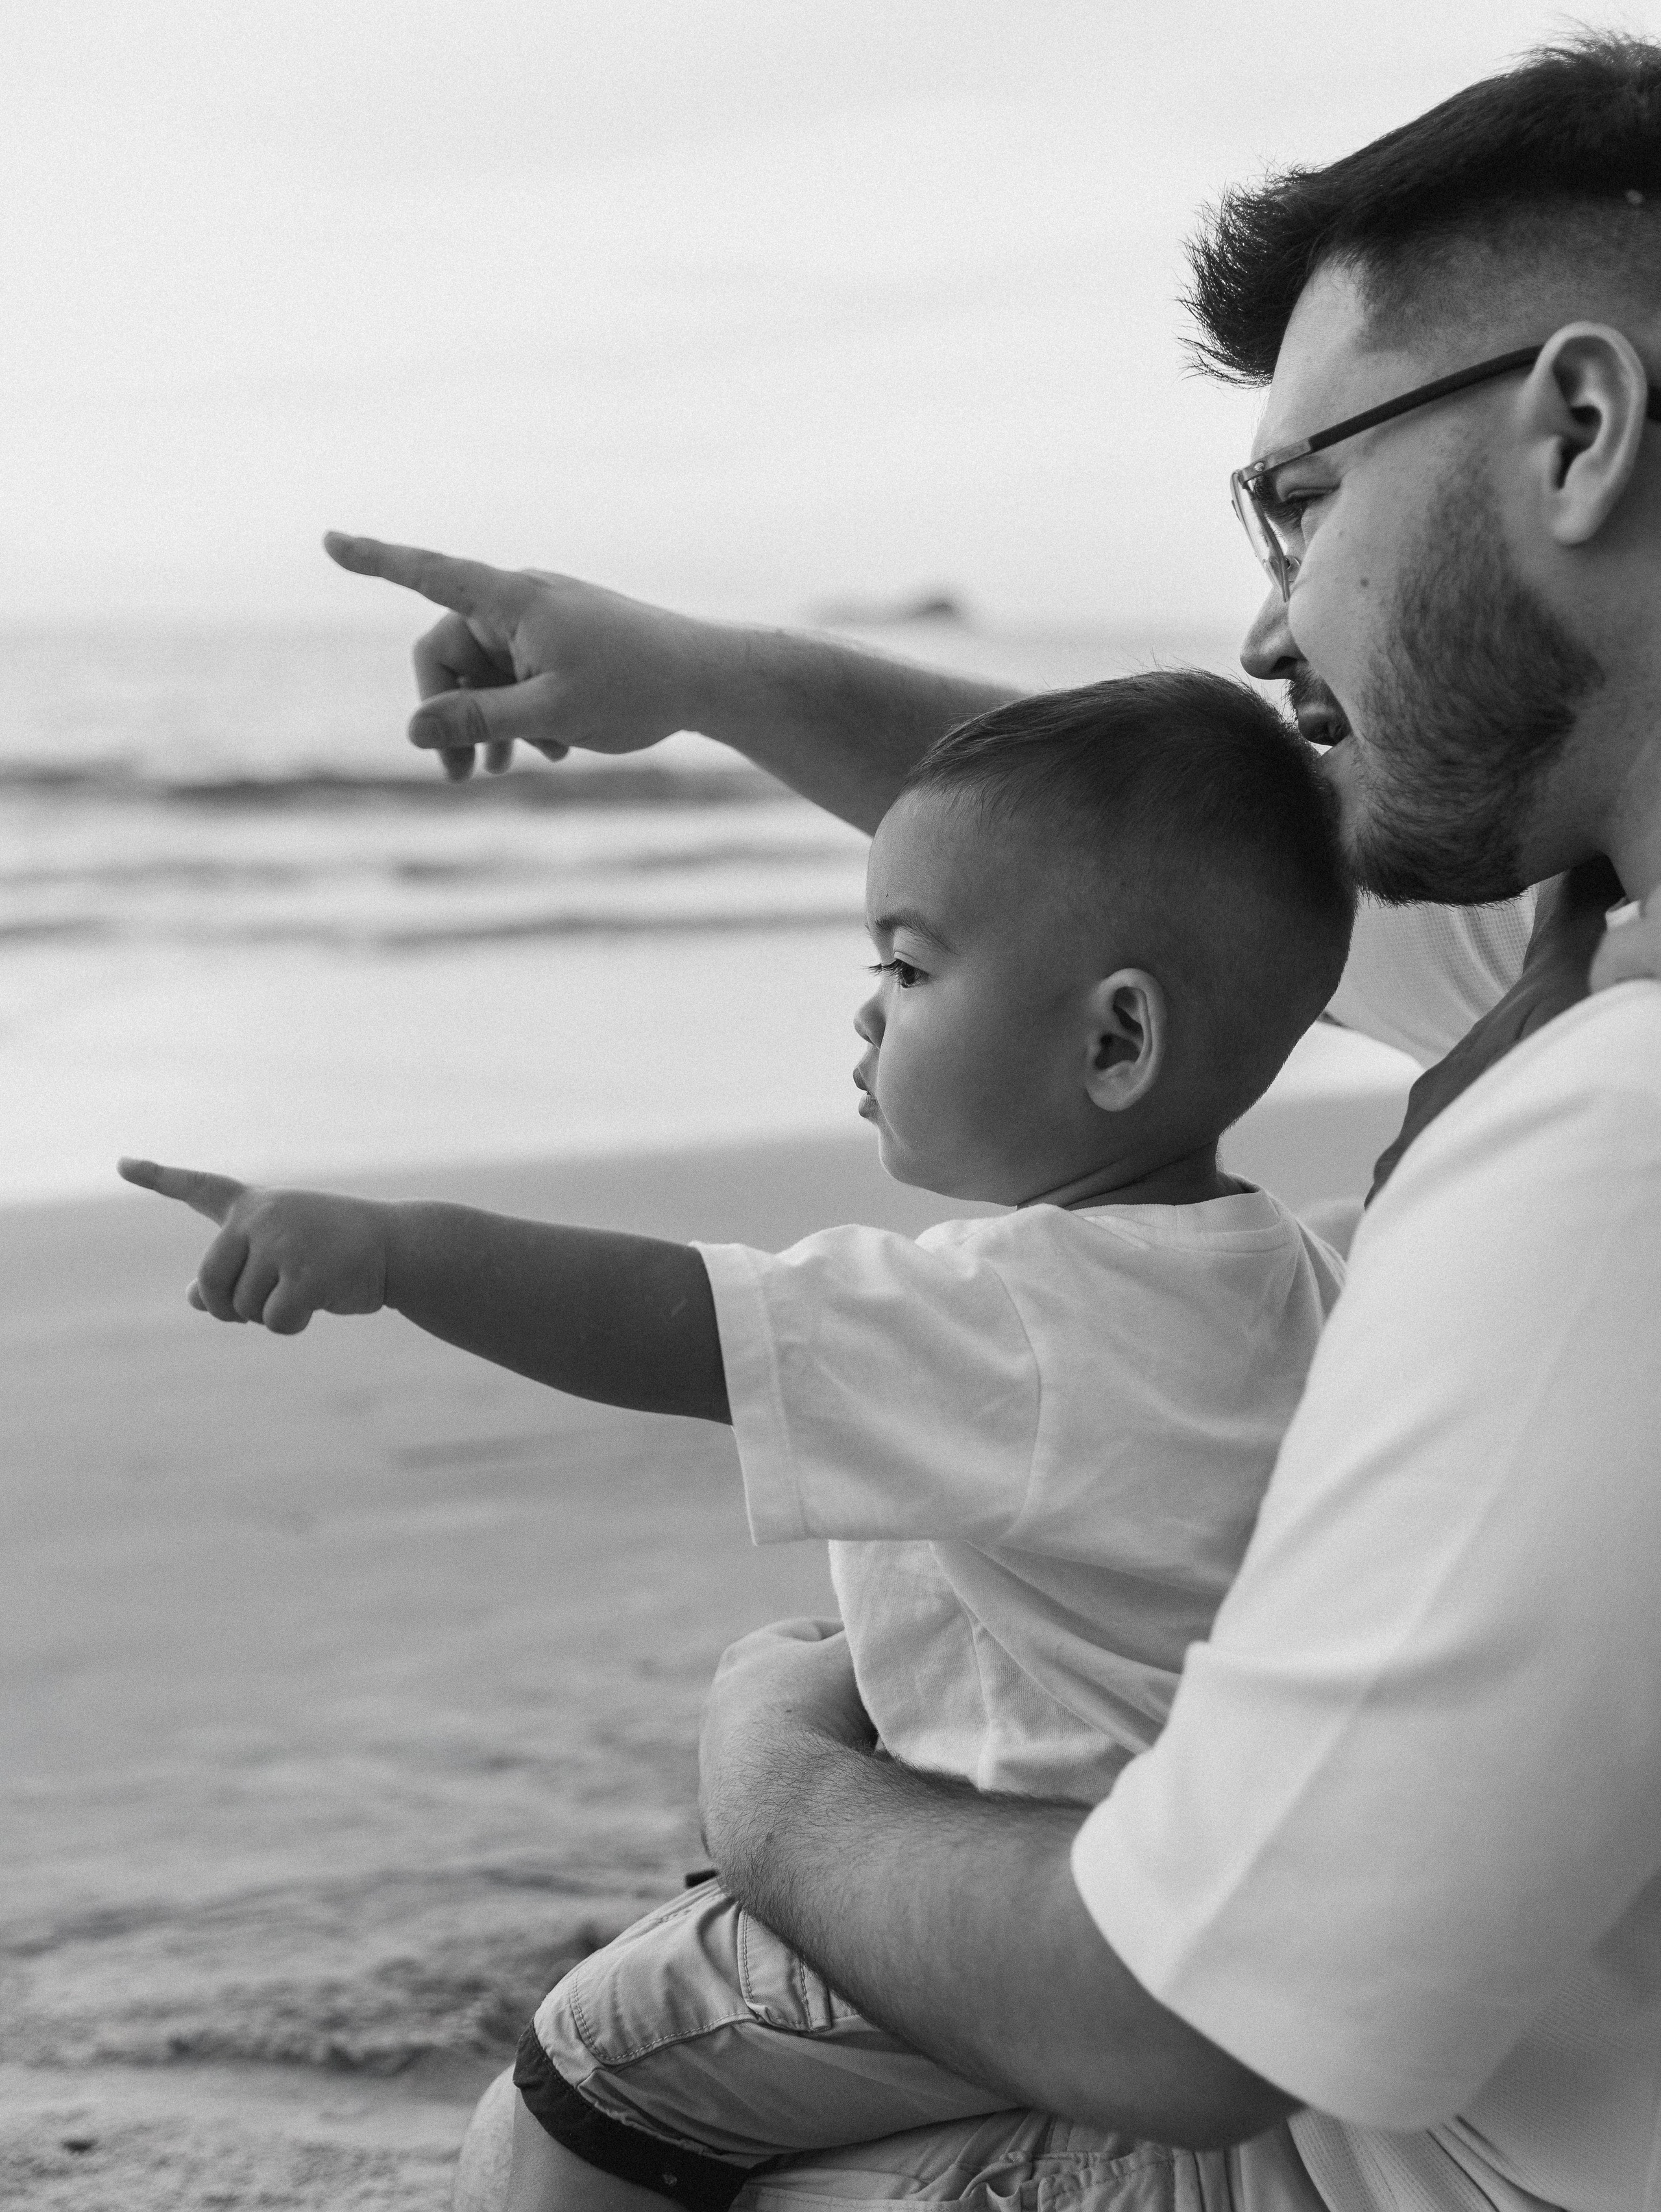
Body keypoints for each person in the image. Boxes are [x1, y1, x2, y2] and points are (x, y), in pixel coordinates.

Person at [324, 32, 1661, 2211]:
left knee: (554, 2137)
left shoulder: (1609, 1150)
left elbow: (1174, 2020)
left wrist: (766, 1771)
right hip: (1471, 2040)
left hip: (1433, 2160)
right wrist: (704, 675)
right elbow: (1150, 882)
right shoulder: (1587, 947)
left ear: (1576, 431)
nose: (1268, 614)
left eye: (1298, 496)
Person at [121, 673, 1353, 2204]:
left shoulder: (1010, 1314)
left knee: (592, 2059)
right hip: (1189, 1906)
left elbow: (668, 1319)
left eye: (907, 966)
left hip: (1020, 1917)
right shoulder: (1297, 1274)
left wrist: (396, 1250)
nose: (864, 1007)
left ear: (1113, 1040)